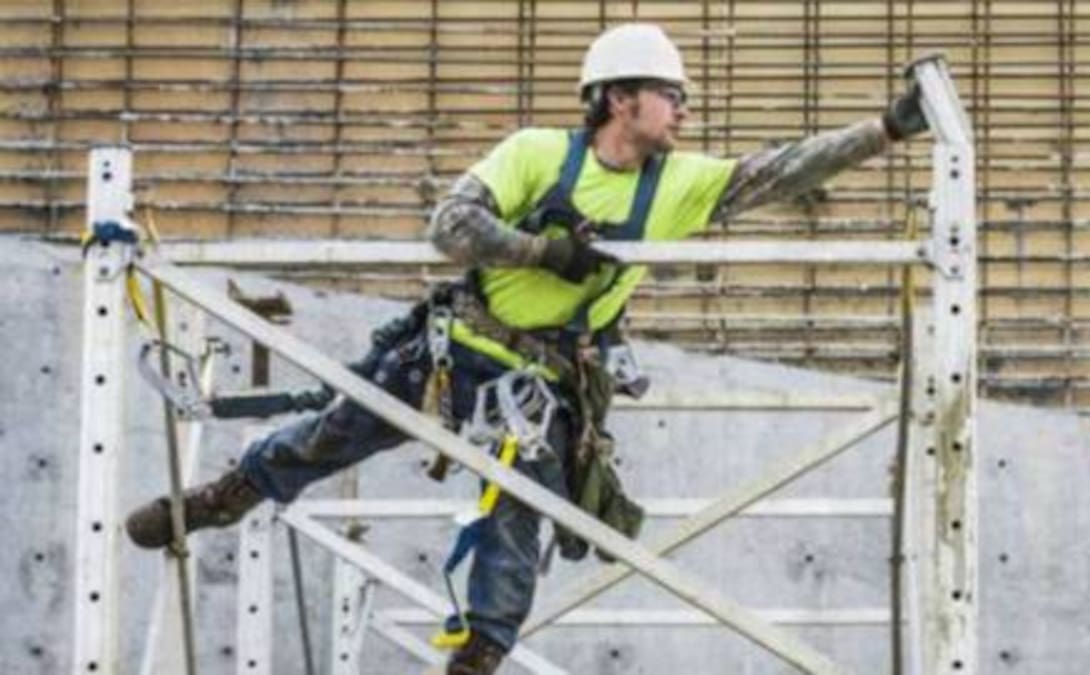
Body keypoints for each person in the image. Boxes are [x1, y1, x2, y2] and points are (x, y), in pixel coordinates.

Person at [125, 22, 929, 674]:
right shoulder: (537, 154)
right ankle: (227, 496)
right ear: (618, 99)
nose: (682, 110)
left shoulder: (679, 184)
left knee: (520, 515)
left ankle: (478, 658)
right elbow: (451, 226)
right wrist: (544, 252)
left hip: (541, 382)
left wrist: (888, 128)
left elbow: (785, 170)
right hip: (458, 351)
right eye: (668, 95)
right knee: (341, 428)